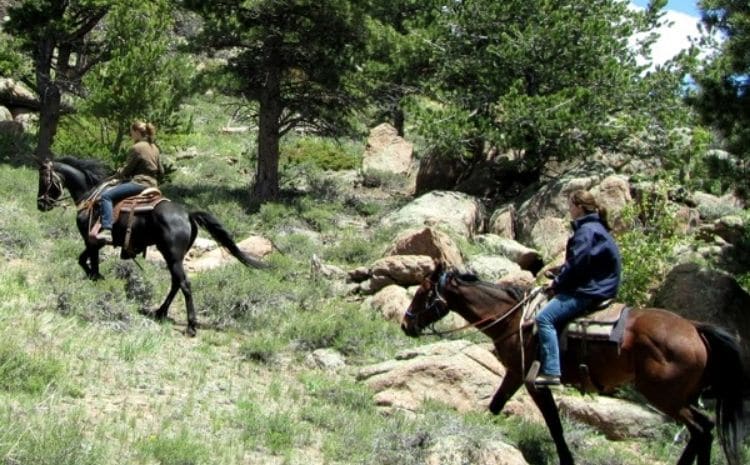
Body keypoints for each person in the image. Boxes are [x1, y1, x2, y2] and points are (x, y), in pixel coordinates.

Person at [534, 189, 622, 387]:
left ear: (579, 207)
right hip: (599, 285)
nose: (569, 209)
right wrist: (558, 272)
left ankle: (552, 371)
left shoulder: (586, 231)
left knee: (544, 318)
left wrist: (556, 284)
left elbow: (577, 265)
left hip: (590, 290)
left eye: (571, 205)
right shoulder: (596, 228)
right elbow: (582, 262)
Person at [95, 121, 162, 243]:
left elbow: (127, 169)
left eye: (132, 133)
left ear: (137, 132)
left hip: (139, 183)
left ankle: (107, 230)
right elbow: (161, 170)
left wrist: (115, 175)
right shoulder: (155, 148)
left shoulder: (136, 147)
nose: (131, 136)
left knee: (106, 196)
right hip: (153, 185)